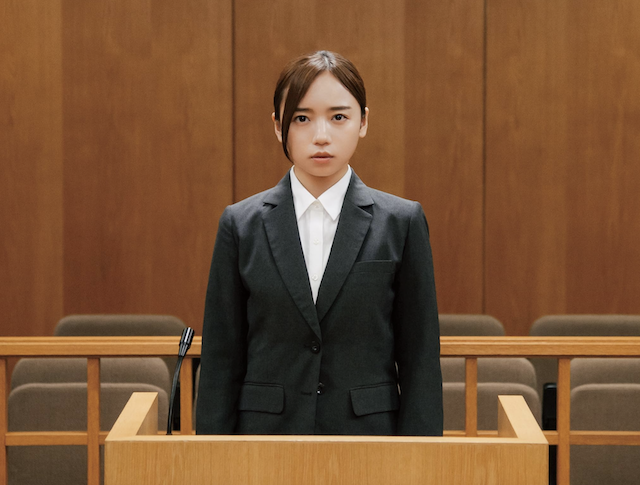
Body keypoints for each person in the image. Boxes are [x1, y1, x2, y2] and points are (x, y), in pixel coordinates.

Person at [196, 50, 443, 436]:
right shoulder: (240, 225)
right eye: (302, 118)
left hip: (368, 440)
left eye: (338, 117)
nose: (321, 135)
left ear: (363, 121)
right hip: (264, 440)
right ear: (278, 126)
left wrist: (420, 460)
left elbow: (420, 357)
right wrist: (212, 457)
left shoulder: (401, 222)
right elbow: (220, 359)